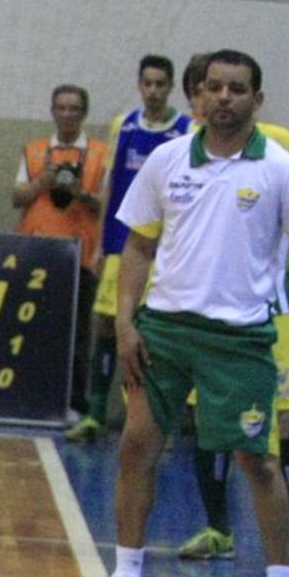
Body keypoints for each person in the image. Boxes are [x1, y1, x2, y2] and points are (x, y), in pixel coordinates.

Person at [85, 50, 289, 577]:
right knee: (137, 445)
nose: (223, 97)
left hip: (240, 339)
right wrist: (125, 322)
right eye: (214, 87)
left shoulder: (279, 167)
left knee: (258, 460)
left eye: (237, 89)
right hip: (164, 330)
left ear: (256, 100)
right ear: (198, 97)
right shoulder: (167, 161)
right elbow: (137, 246)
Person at [170, 51, 289, 570]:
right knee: (207, 419)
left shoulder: (278, 144)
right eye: (203, 89)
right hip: (200, 317)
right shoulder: (179, 153)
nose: (214, 99)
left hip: (271, 313)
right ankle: (218, 528)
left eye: (228, 89)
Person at [68, 54, 190, 443]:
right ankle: (97, 413)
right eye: (147, 83)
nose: (153, 90)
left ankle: (159, 421)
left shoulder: (187, 130)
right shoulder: (124, 125)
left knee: (156, 334)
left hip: (164, 249)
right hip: (123, 244)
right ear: (139, 85)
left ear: (171, 87)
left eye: (160, 84)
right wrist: (103, 242)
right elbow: (109, 187)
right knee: (107, 326)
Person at [13, 84, 109, 423]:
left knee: (78, 332)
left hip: (79, 254)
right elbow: (17, 197)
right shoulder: (35, 150)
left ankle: (74, 403)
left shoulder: (100, 153)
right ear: (53, 111)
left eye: (74, 108)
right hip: (37, 252)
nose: (67, 114)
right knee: (32, 326)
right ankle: (27, 395)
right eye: (61, 108)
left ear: (84, 113)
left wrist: (80, 192)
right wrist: (44, 181)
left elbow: (106, 205)